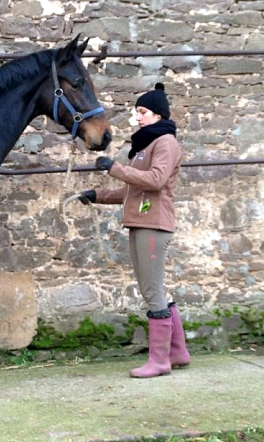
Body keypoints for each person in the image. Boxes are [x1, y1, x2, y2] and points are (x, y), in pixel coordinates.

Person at [78, 83, 191, 378]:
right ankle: (177, 352)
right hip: (143, 223)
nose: (137, 118)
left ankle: (160, 361)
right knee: (156, 290)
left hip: (153, 226)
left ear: (157, 114)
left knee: (151, 291)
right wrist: (98, 195)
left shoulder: (165, 142)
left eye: (142, 112)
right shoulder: (146, 146)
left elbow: (154, 181)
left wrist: (113, 167)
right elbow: (133, 190)